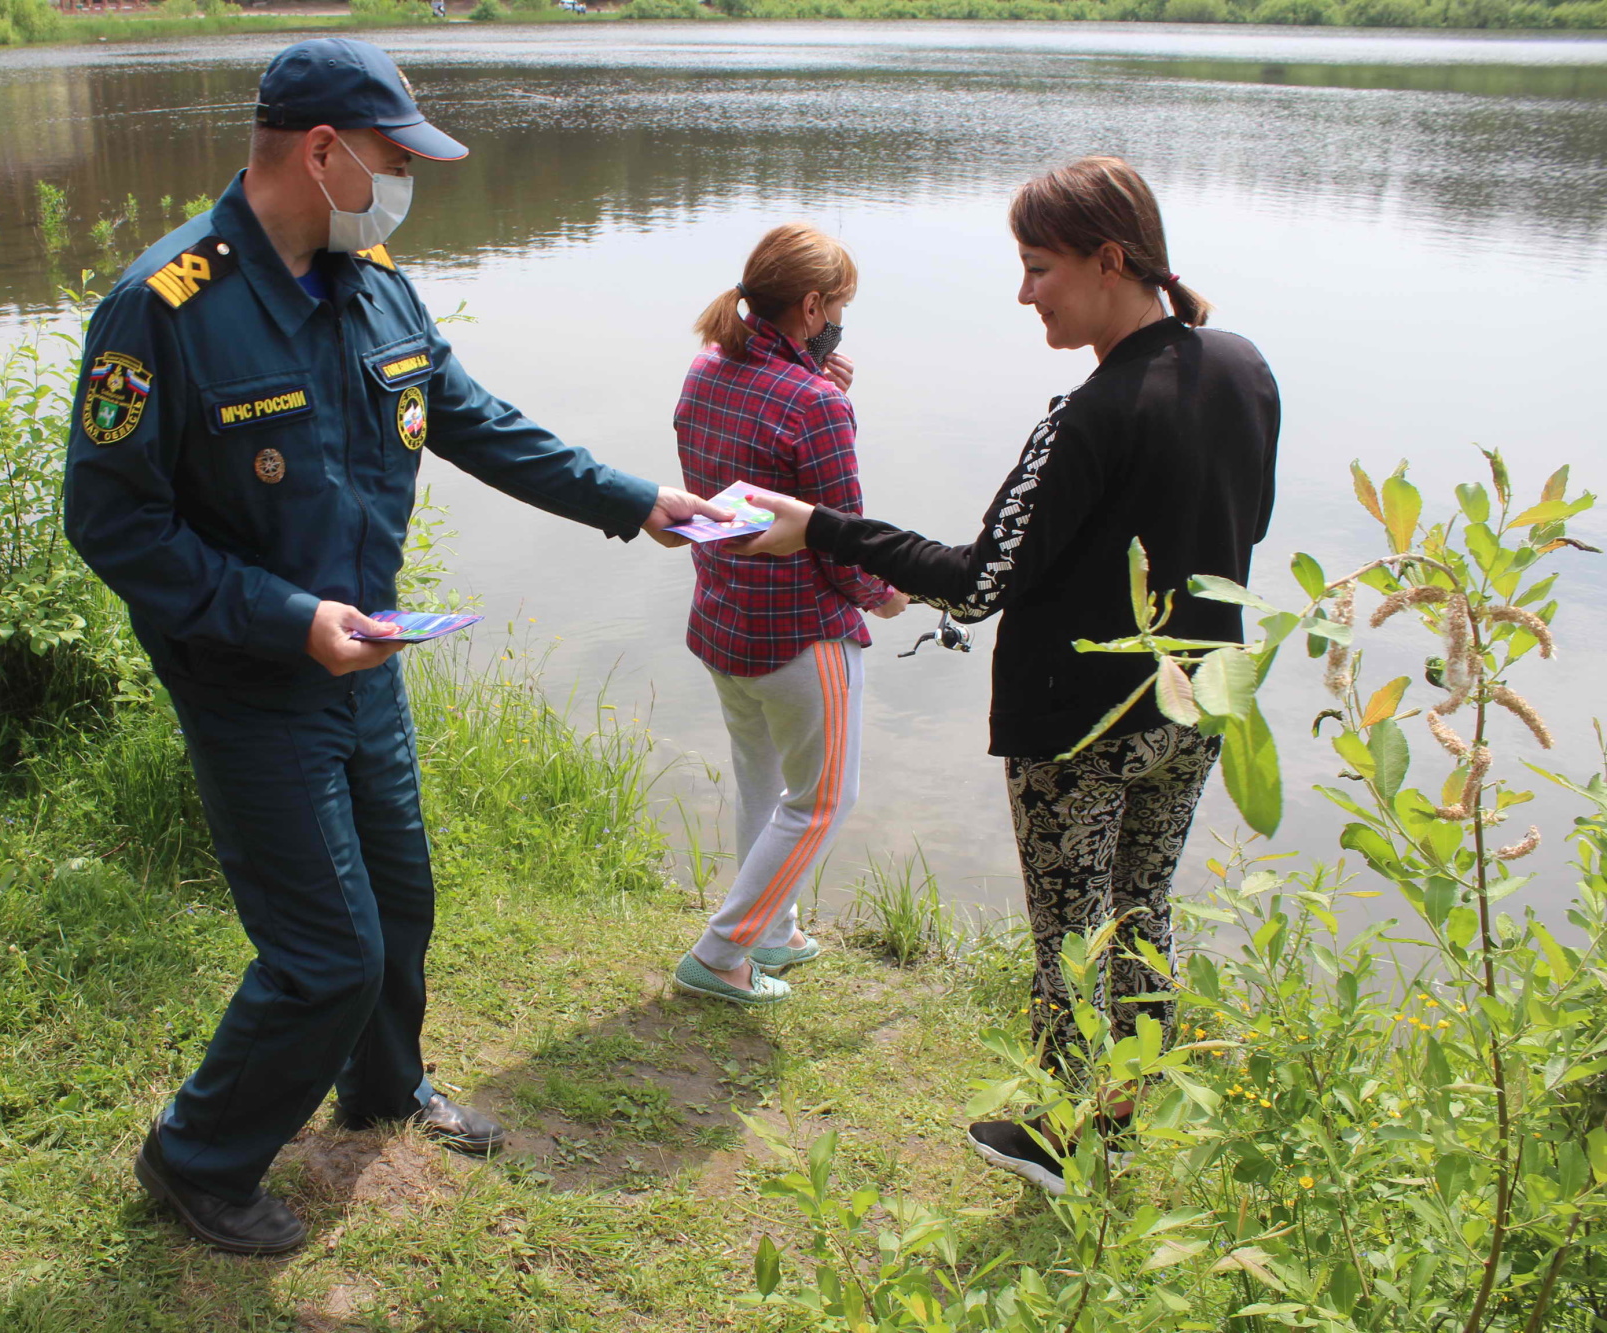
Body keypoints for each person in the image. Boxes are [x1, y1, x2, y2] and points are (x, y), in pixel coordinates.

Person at [63, 37, 725, 1256]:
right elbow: (112, 521)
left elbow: (471, 419)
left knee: (402, 899)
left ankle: (382, 1087)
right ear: (322, 153)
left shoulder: (373, 285)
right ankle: (196, 1154)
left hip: (368, 658)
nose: (405, 181)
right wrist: (285, 620)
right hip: (253, 677)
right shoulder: (165, 308)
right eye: (391, 157)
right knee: (325, 952)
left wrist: (634, 499)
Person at [744, 156, 1278, 1195]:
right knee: (1141, 909)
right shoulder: (1240, 364)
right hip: (1198, 695)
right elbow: (1241, 524)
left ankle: (1065, 1142)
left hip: (1075, 727)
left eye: (1038, 268)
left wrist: (820, 528)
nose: (1024, 291)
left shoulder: (1089, 414)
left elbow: (977, 582)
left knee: (1070, 934)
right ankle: (1127, 1111)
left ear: (1109, 260)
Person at [669, 223, 906, 1008]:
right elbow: (843, 544)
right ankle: (723, 952)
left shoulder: (705, 369)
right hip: (804, 637)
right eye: (838, 305)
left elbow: (736, 476)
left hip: (725, 624)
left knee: (764, 788)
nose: (841, 318)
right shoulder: (815, 405)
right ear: (811, 306)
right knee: (823, 799)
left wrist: (818, 379)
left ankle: (771, 930)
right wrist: (888, 590)